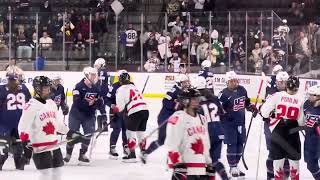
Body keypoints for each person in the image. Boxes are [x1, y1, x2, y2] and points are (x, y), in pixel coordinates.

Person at [18, 76, 86, 180]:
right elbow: (23, 126)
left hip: (55, 146)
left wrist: (71, 133)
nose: (48, 91)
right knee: (46, 175)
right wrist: (25, 143)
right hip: (41, 148)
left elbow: (58, 125)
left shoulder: (51, 103)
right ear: (37, 89)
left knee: (57, 174)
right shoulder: (31, 106)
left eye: (48, 88)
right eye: (45, 88)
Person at [260, 76, 305, 179]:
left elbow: (264, 113)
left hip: (278, 131)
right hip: (293, 131)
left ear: (286, 85)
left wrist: (272, 113)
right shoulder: (301, 99)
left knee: (278, 163)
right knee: (294, 165)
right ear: (297, 86)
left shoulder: (277, 95)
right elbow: (302, 122)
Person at [165, 88, 213, 180]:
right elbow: (171, 143)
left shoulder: (203, 119)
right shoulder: (178, 118)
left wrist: (208, 163)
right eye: (193, 99)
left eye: (198, 99)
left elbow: (205, 143)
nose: (197, 101)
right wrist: (177, 163)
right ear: (185, 101)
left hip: (200, 168)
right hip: (184, 168)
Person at [141, 73, 190, 163]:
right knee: (161, 140)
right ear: (179, 83)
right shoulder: (173, 91)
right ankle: (146, 153)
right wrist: (177, 104)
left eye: (186, 82)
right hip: (165, 118)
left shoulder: (184, 92)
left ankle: (177, 158)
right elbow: (166, 102)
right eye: (184, 83)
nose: (186, 84)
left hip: (175, 120)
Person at [218, 71, 258, 177]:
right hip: (228, 124)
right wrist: (225, 115)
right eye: (231, 81)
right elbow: (218, 110)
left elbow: (247, 103)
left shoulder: (242, 90)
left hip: (240, 122)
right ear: (227, 82)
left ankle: (235, 165)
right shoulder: (223, 94)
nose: (234, 83)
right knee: (232, 144)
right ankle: (232, 167)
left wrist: (252, 108)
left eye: (235, 80)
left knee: (240, 144)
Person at [64, 67, 107, 164]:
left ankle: (82, 155)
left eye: (95, 75)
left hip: (89, 115)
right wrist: (89, 103)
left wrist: (103, 114)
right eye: (92, 75)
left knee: (88, 135)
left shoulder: (96, 88)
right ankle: (68, 154)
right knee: (72, 135)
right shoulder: (78, 87)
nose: (94, 77)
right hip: (76, 115)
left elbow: (100, 103)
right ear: (86, 75)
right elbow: (76, 102)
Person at [196, 76, 229, 180]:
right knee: (215, 160)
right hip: (219, 131)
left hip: (206, 132)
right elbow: (223, 113)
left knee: (204, 160)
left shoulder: (196, 101)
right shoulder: (214, 98)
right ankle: (225, 178)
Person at [0, 68, 31, 170]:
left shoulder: (2, 89)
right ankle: (20, 165)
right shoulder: (24, 89)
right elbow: (30, 106)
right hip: (18, 124)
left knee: (5, 150)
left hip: (6, 124)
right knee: (18, 151)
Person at [115, 71, 149, 163]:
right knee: (141, 133)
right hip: (145, 110)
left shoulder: (120, 89)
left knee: (130, 133)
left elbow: (120, 107)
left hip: (134, 112)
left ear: (120, 80)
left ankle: (132, 155)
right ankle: (143, 153)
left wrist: (115, 110)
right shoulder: (134, 87)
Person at [264, 71, 291, 179]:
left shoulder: (292, 93)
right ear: (277, 82)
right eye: (281, 82)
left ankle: (285, 174)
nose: (283, 84)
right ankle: (270, 176)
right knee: (273, 152)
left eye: (285, 82)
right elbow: (265, 112)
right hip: (271, 126)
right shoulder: (272, 93)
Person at [106, 70, 128, 160]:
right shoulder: (114, 86)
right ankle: (112, 147)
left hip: (126, 111)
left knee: (126, 129)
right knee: (117, 129)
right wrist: (111, 105)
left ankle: (126, 147)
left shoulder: (131, 85)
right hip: (115, 111)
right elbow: (107, 99)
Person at [302, 85, 320, 179]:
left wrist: (317, 125)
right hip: (310, 140)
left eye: (311, 95)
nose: (309, 97)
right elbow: (301, 118)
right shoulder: (306, 104)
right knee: (311, 165)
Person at [94, 58, 110, 132]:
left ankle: (101, 126)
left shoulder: (101, 71)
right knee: (102, 108)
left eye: (97, 65)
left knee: (99, 108)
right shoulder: (105, 71)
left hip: (101, 92)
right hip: (106, 92)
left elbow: (101, 83)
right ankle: (104, 125)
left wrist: (98, 93)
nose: (96, 67)